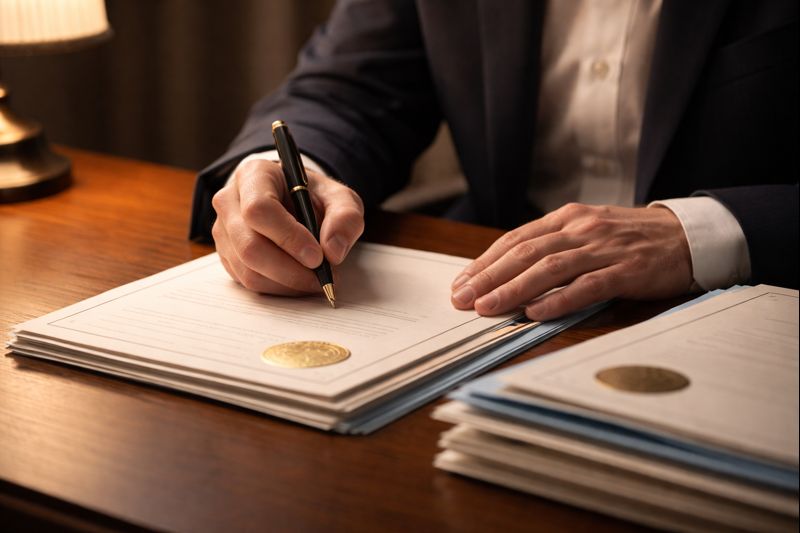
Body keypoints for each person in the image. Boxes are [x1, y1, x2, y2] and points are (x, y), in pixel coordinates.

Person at [191, 0, 798, 321]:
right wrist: (289, 168)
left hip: (751, 313)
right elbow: (350, 87)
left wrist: (700, 233)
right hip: (495, 299)